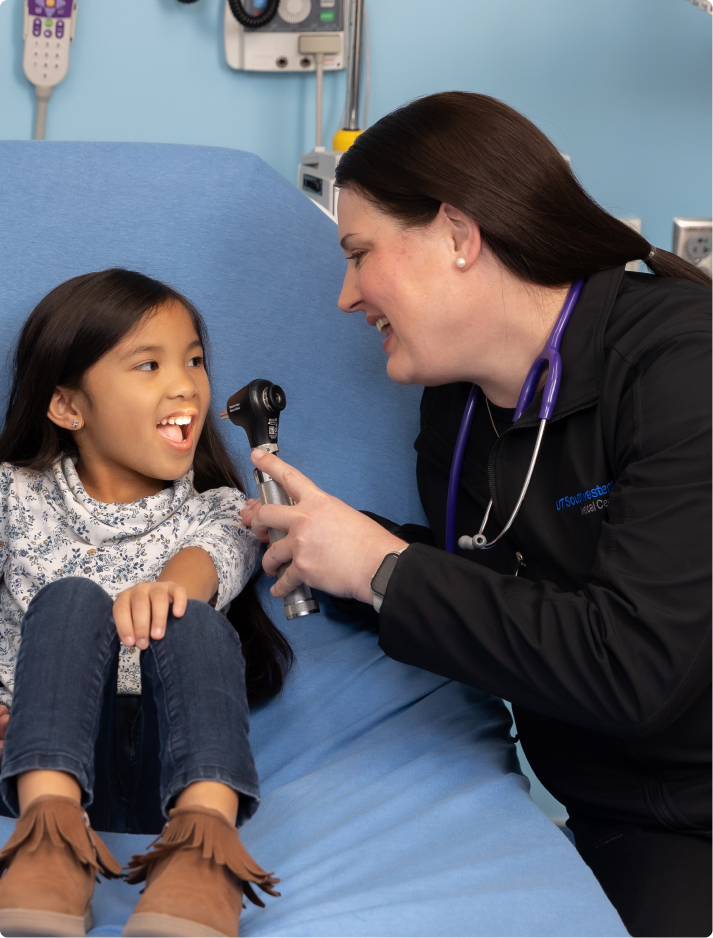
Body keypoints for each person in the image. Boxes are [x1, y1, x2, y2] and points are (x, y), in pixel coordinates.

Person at [240, 92, 712, 938]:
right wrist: (335, 554)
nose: (345, 297)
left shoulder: (685, 369)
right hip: (613, 813)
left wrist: (382, 568)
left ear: (459, 235)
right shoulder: (459, 411)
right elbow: (501, 588)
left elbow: (635, 669)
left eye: (358, 254)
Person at [0, 269, 287, 938]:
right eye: (150, 364)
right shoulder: (12, 496)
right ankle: (48, 847)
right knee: (71, 600)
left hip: (173, 768)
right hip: (36, 757)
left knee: (193, 620)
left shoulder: (221, 509)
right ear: (68, 407)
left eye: (193, 360)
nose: (185, 383)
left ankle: (203, 854)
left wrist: (167, 591)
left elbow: (208, 563)